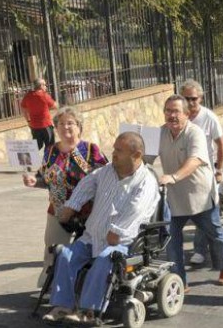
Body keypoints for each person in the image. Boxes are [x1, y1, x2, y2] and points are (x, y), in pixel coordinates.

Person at [41, 132, 159, 325]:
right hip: (91, 236)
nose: (113, 153)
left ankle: (89, 311)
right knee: (65, 254)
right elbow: (86, 185)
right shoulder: (106, 171)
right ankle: (62, 306)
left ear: (136, 155)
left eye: (118, 151)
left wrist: (118, 231)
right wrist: (72, 206)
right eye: (114, 148)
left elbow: (137, 210)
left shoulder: (146, 181)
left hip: (122, 242)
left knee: (106, 259)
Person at [22, 107, 108, 287]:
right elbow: (45, 178)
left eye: (70, 123)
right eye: (61, 123)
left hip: (87, 212)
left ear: (79, 127)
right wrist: (33, 181)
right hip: (57, 211)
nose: (65, 127)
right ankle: (52, 287)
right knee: (52, 251)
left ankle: (84, 286)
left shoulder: (91, 149)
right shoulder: (51, 150)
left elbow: (105, 177)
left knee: (87, 252)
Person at [158, 95, 223, 287]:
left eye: (176, 111)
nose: (171, 115)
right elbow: (144, 155)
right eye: (168, 110)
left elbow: (196, 160)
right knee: (172, 240)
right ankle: (180, 282)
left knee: (215, 234)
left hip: (200, 195)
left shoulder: (195, 132)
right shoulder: (160, 133)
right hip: (174, 197)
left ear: (186, 114)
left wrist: (173, 176)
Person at [180, 79, 223, 265]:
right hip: (181, 171)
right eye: (186, 98)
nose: (190, 103)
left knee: (205, 212)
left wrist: (220, 168)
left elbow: (221, 143)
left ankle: (203, 250)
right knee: (178, 214)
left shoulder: (209, 117)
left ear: (200, 97)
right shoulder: (179, 116)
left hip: (203, 173)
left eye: (193, 99)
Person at [20, 78, 58, 150]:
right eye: (45, 85)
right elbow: (55, 106)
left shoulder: (28, 96)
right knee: (50, 147)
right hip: (46, 125)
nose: (46, 87)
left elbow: (23, 108)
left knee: (36, 147)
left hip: (34, 126)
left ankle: (30, 160)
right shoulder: (44, 95)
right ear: (41, 86)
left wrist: (28, 120)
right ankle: (47, 161)